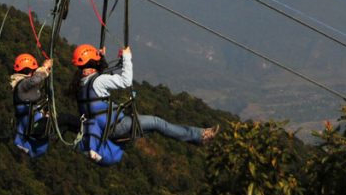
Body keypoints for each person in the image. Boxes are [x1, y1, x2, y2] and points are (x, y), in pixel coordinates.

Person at [72, 44, 216, 166]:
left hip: (106, 129)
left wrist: (102, 57)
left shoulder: (82, 84)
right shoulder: (98, 81)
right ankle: (200, 136)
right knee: (157, 123)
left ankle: (197, 138)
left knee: (154, 127)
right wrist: (127, 57)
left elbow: (102, 74)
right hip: (117, 126)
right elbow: (125, 81)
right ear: (92, 63)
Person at [11, 53, 55, 158]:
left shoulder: (20, 84)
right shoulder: (22, 84)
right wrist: (44, 68)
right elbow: (34, 80)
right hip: (32, 124)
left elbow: (34, 80)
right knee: (65, 120)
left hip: (29, 122)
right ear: (29, 71)